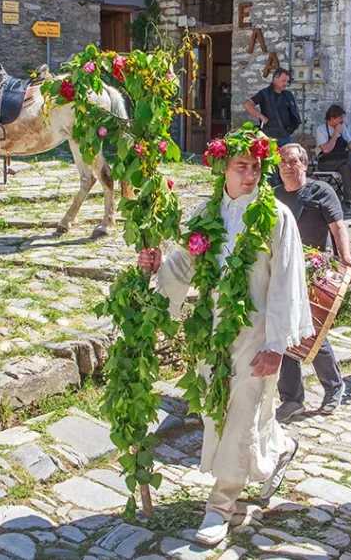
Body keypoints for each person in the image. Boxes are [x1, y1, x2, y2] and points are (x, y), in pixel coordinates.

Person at [138, 127, 312, 547]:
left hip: (257, 333)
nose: (251, 175)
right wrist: (156, 266)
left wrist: (276, 346)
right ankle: (279, 446)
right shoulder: (206, 212)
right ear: (223, 169)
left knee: (241, 415)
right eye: (241, 167)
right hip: (213, 334)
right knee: (221, 411)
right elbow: (186, 264)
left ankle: (220, 507)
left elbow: (287, 282)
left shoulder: (275, 218)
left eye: (256, 167)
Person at [274, 143, 351, 422]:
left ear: (305, 164)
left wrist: (345, 256)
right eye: (282, 162)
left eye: (293, 162)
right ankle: (291, 399)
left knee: (311, 332)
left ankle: (334, 387)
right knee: (284, 332)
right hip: (283, 272)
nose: (287, 167)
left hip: (314, 273)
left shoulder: (321, 192)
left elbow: (338, 227)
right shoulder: (274, 196)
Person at [244, 68, 301, 146]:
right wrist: (260, 116)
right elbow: (248, 104)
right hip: (268, 136)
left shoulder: (288, 95)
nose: (285, 84)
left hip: (285, 135)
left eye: (287, 81)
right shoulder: (264, 94)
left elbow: (295, 110)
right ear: (275, 79)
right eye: (283, 81)